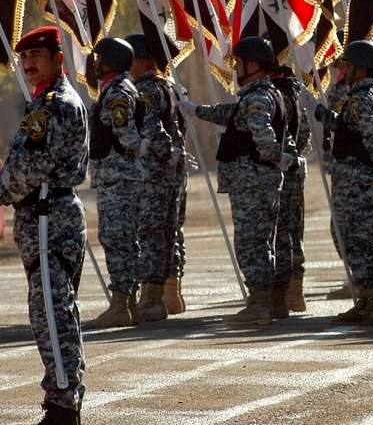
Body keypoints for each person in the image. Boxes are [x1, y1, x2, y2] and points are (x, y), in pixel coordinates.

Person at [0, 26, 88, 425]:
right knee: (56, 315)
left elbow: (27, 168)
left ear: (57, 58)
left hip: (50, 216)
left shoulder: (52, 106)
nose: (30, 62)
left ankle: (62, 414)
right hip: (46, 215)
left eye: (38, 54)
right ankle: (63, 407)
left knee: (52, 318)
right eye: (25, 56)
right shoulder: (45, 102)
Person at [179, 36, 288, 325]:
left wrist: (273, 155)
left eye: (238, 62)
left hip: (252, 180)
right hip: (254, 180)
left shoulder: (258, 97)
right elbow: (230, 113)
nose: (235, 67)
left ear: (252, 64)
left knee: (251, 242)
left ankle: (261, 304)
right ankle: (262, 301)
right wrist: (196, 109)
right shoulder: (259, 94)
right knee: (258, 240)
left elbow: (262, 131)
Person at [313, 40, 373, 325]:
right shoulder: (365, 94)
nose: (343, 69)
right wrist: (318, 111)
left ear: (359, 68)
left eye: (347, 64)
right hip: (358, 180)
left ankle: (367, 303)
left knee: (359, 241)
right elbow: (346, 126)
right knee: (357, 239)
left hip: (359, 182)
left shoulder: (359, 98)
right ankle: (365, 300)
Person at [81, 37, 147, 329]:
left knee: (117, 239)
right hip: (119, 176)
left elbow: (126, 133)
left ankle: (121, 305)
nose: (95, 64)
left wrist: (139, 150)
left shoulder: (117, 92)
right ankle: (127, 303)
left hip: (118, 177)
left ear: (112, 62)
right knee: (123, 240)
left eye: (100, 59)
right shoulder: (118, 88)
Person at [124, 33, 183, 322]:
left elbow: (151, 127)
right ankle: (157, 300)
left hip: (152, 173)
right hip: (169, 175)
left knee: (149, 236)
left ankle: (149, 301)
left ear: (144, 58)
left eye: (132, 57)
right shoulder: (167, 86)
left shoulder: (145, 90)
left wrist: (162, 150)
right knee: (164, 236)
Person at [269, 62, 310, 317]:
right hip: (295, 167)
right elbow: (303, 136)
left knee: (282, 233)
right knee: (294, 230)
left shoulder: (277, 95)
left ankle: (281, 295)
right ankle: (295, 292)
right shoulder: (296, 94)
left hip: (281, 169)